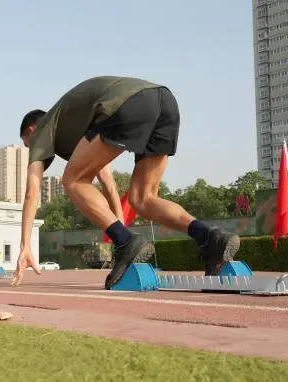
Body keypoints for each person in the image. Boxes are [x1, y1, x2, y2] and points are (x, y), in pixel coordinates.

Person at [13, 76, 240, 289]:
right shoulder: (76, 128)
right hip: (165, 102)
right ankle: (210, 238)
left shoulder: (43, 129)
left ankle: (126, 242)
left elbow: (32, 192)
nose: (31, 150)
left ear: (31, 130)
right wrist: (120, 230)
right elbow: (109, 185)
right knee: (143, 199)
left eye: (27, 144)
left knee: (72, 180)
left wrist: (25, 246)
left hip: (129, 103)